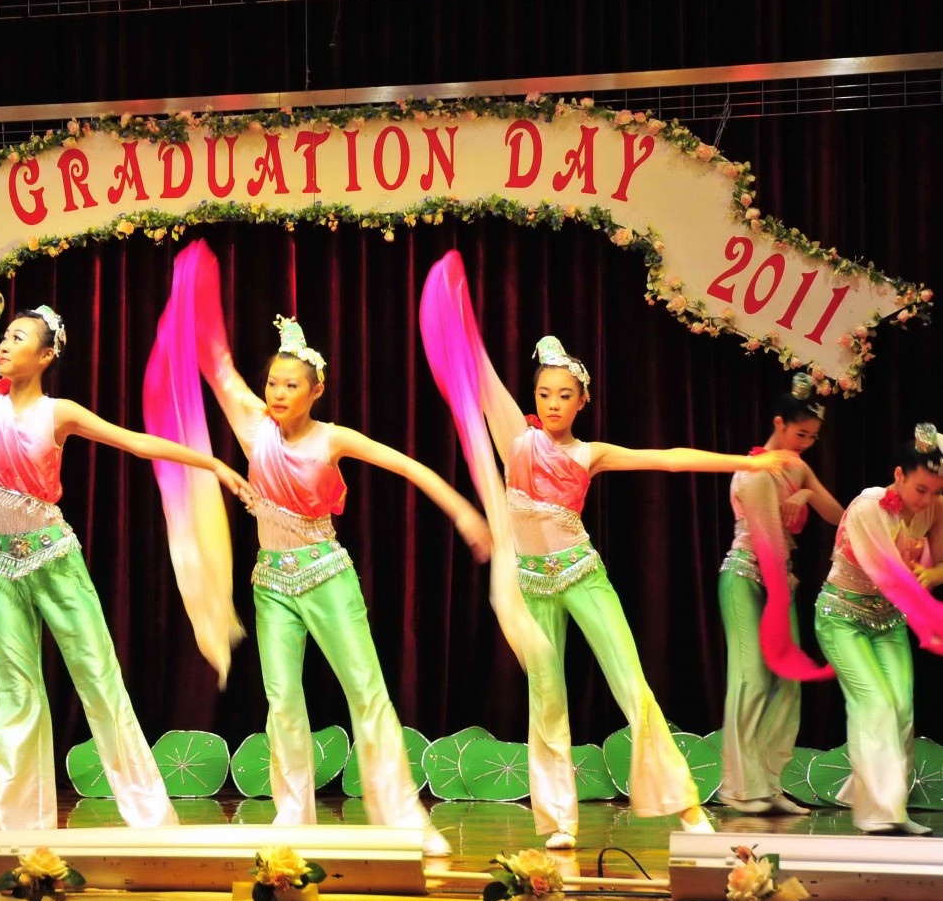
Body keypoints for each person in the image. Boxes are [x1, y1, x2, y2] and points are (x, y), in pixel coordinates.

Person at [417, 250, 791, 849]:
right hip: (533, 585)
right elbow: (480, 373)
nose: (553, 403)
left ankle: (685, 805)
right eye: (544, 393)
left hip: (582, 576)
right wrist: (453, 303)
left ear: (582, 401)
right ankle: (556, 821)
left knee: (631, 683)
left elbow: (670, 460)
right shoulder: (517, 440)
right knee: (546, 698)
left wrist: (748, 461)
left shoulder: (589, 454)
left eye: (565, 394)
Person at [145, 240, 491, 856]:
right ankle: (292, 814)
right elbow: (216, 362)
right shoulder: (253, 424)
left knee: (366, 688)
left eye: (291, 385)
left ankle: (403, 817)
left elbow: (408, 466)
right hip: (271, 584)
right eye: (272, 383)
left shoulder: (332, 439)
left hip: (328, 576)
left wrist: (463, 510)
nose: (277, 393)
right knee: (282, 700)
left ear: (316, 390)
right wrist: (192, 288)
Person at [717, 373, 843, 815]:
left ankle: (769, 784)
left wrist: (806, 491)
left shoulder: (797, 467)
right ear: (779, 423)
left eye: (812, 437)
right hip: (745, 577)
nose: (806, 443)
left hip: (779, 582)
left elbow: (838, 515)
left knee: (788, 683)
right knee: (751, 678)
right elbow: (767, 540)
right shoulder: (755, 471)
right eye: (799, 433)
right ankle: (739, 787)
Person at [815, 425, 943, 835]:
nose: (927, 499)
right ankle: (878, 815)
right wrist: (932, 617)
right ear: (899, 475)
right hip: (841, 616)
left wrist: (934, 573)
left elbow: (935, 564)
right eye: (921, 489)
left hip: (888, 620)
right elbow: (889, 576)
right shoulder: (869, 507)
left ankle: (890, 807)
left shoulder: (933, 509)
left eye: (936, 491)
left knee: (901, 707)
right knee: (876, 704)